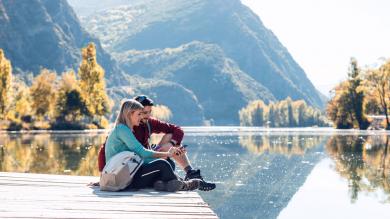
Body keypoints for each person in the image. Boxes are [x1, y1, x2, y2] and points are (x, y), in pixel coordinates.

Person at [104, 99, 201, 192]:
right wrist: (167, 154)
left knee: (164, 163)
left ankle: (162, 184)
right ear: (130, 114)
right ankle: (185, 185)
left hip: (127, 174)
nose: (141, 117)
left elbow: (138, 157)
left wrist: (164, 156)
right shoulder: (122, 129)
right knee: (163, 164)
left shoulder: (123, 129)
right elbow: (142, 153)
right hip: (123, 179)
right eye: (139, 114)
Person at [133, 95, 216, 191]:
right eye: (144, 113)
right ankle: (181, 181)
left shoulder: (149, 122)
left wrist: (171, 144)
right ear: (135, 112)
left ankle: (190, 173)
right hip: (140, 162)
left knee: (171, 137)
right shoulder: (129, 127)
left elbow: (177, 129)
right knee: (168, 162)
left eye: (150, 112)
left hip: (150, 156)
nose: (148, 115)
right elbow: (138, 152)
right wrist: (163, 152)